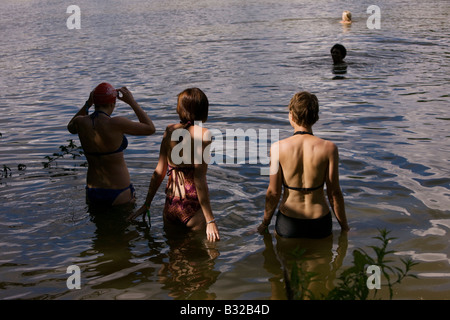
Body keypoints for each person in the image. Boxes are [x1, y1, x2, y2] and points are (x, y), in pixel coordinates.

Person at [129, 88, 220, 242]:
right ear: (203, 110)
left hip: (170, 206)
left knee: (174, 257)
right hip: (192, 207)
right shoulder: (204, 135)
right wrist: (210, 220)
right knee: (199, 261)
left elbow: (159, 171)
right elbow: (199, 180)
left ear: (180, 109)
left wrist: (147, 204)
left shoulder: (169, 131)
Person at [258, 91, 349, 238]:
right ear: (316, 117)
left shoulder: (277, 148)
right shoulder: (329, 148)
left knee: (285, 259)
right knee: (322, 260)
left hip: (289, 222)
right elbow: (334, 193)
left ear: (291, 116)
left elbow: (273, 192)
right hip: (320, 221)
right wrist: (345, 227)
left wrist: (264, 224)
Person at [68, 82, 156, 206]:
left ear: (94, 101)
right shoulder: (116, 123)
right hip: (119, 191)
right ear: (112, 103)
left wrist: (88, 104)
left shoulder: (80, 122)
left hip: (93, 190)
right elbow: (150, 128)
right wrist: (131, 102)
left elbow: (70, 128)